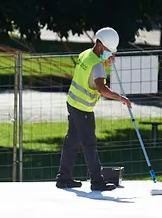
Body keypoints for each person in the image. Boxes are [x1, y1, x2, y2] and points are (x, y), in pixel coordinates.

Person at [56, 26, 132, 191]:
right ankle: (97, 181)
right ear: (100, 45)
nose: (111, 54)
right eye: (109, 51)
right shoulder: (97, 65)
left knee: (72, 141)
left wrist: (104, 62)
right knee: (89, 144)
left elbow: (87, 76)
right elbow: (102, 89)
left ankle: (64, 178)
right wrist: (121, 98)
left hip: (72, 102)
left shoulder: (86, 54)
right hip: (83, 108)